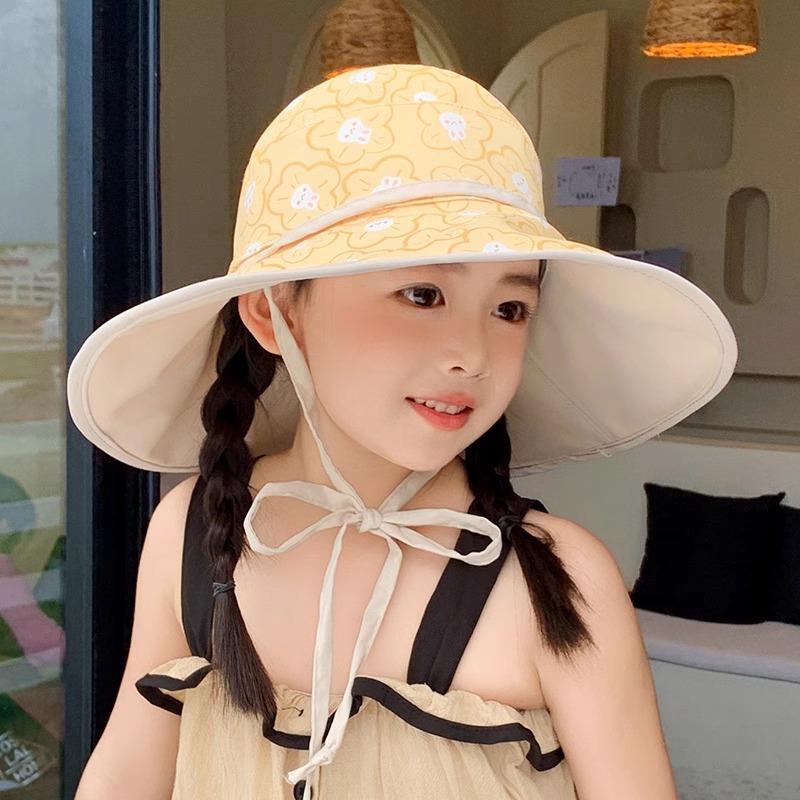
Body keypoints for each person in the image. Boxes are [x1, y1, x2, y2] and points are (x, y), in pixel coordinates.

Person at [67, 64, 736, 800]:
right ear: (275, 313)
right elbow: (124, 774)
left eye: (509, 310)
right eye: (422, 294)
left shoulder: (556, 577)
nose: (472, 355)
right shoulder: (193, 532)